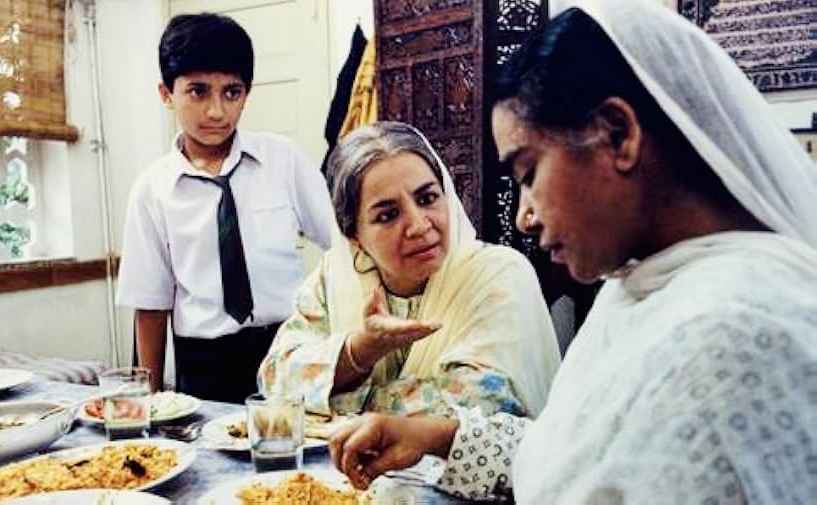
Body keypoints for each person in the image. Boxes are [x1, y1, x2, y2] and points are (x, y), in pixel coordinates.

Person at [328, 1, 817, 503]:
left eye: (529, 173)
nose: (524, 216)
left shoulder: (733, 334)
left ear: (617, 135)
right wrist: (436, 437)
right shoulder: (643, 286)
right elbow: (574, 455)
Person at [257, 121, 561, 419]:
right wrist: (359, 350)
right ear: (354, 238)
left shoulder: (498, 275)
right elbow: (274, 379)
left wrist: (336, 396)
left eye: (427, 198)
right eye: (388, 215)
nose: (418, 225)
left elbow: (483, 402)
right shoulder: (336, 277)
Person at [116, 13, 333, 403]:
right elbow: (150, 305)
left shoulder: (282, 160)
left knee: (293, 455)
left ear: (247, 93)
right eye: (198, 92)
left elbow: (341, 242)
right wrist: (149, 398)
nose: (217, 111)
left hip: (289, 348)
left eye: (231, 92)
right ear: (167, 94)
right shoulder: (152, 191)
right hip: (204, 363)